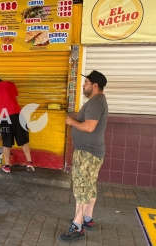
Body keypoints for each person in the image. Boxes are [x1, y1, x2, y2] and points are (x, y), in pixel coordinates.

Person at [58, 70, 108, 242]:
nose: (83, 85)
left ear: (95, 85)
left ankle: (77, 226)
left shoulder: (95, 103)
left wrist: (71, 121)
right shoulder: (98, 101)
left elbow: (89, 127)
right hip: (92, 151)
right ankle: (87, 219)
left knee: (82, 189)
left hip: (87, 153)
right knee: (89, 185)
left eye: (86, 82)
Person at [0, 78, 34, 173]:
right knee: (23, 140)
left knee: (6, 142)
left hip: (5, 117)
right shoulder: (11, 84)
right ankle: (29, 162)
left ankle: (6, 166)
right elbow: (16, 99)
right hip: (18, 115)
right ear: (1, 81)